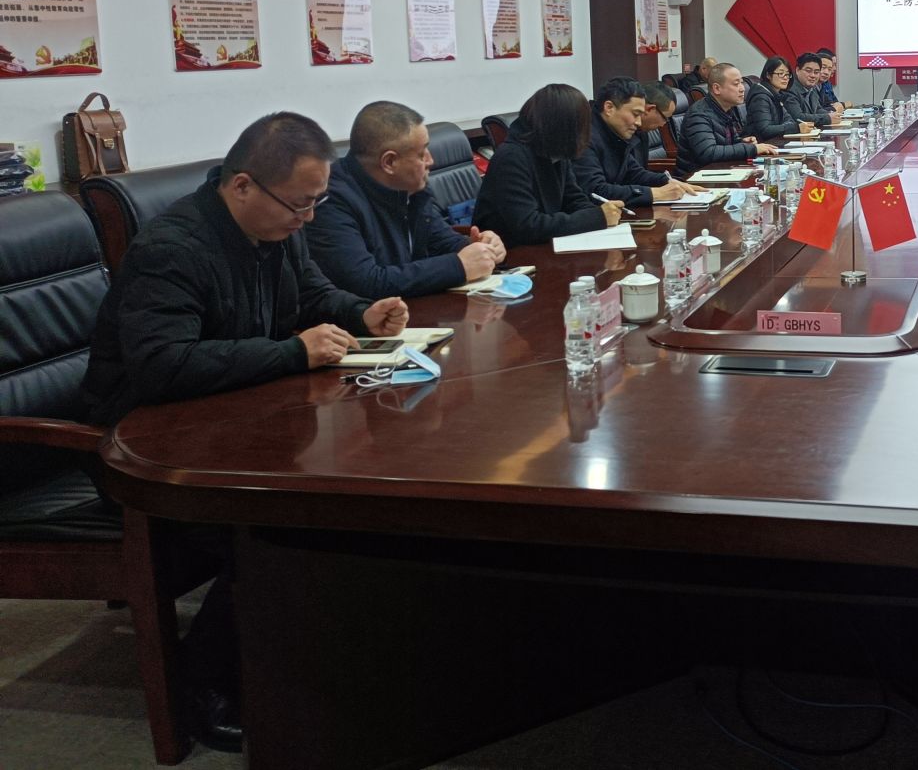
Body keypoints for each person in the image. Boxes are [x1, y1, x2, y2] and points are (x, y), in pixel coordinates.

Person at [82, 111, 409, 751]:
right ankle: (205, 682)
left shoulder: (275, 227)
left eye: (316, 202)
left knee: (353, 481)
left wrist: (360, 312)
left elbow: (310, 293)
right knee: (284, 517)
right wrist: (292, 352)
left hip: (227, 417)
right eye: (300, 204)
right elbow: (162, 365)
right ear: (241, 186)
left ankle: (307, 642)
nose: (307, 218)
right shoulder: (173, 249)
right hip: (138, 447)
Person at [307, 101, 506, 297]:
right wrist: (459, 266)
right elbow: (365, 282)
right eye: (421, 153)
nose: (431, 160)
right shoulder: (329, 201)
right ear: (389, 162)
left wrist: (477, 248)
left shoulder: (410, 188)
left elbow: (439, 240)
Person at [475, 84, 624, 243]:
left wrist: (599, 214)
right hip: (509, 251)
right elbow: (528, 225)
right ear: (564, 126)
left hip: (544, 245)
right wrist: (596, 217)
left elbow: (574, 199)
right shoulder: (511, 158)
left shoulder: (555, 151)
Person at [572, 76, 694, 209]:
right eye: (635, 114)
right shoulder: (583, 137)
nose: (639, 122)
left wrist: (668, 181)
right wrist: (654, 194)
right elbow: (595, 191)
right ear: (609, 108)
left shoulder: (614, 132)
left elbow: (633, 172)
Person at [674, 62, 779, 176]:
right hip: (697, 177)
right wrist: (752, 149)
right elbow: (708, 153)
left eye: (742, 82)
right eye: (736, 84)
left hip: (721, 171)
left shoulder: (725, 108)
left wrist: (743, 142)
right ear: (717, 88)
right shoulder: (699, 115)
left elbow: (727, 142)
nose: (742, 89)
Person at [745, 56, 814, 140]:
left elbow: (789, 119)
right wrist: (797, 128)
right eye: (781, 74)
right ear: (768, 75)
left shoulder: (777, 95)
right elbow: (765, 130)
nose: (785, 78)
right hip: (760, 144)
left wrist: (791, 127)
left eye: (787, 74)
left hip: (775, 141)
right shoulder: (760, 98)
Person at [786, 52, 841, 126]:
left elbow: (817, 109)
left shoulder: (812, 87)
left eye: (816, 72)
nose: (813, 75)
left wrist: (833, 115)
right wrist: (827, 118)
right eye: (808, 71)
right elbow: (799, 117)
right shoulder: (790, 89)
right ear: (797, 70)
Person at [635, 79, 679, 168]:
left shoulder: (642, 133)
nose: (663, 125)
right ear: (649, 109)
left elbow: (639, 170)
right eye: (664, 118)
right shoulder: (625, 132)